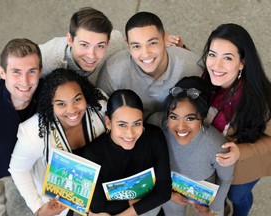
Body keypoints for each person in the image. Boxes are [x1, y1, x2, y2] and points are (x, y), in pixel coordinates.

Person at [9, 68, 107, 216]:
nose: (72, 110)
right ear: (51, 105)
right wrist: (38, 208)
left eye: (77, 99)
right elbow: (18, 169)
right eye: (61, 104)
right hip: (61, 206)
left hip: (100, 195)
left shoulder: (100, 109)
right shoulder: (35, 132)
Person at [201, 23, 271, 216]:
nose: (216, 65)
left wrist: (241, 151)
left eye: (228, 58)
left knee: (238, 196)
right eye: (212, 54)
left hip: (244, 167)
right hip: (214, 163)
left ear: (242, 63)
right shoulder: (206, 80)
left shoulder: (261, 101)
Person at [148, 76, 234, 216]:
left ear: (203, 117)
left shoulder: (217, 146)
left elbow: (225, 180)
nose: (181, 127)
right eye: (174, 117)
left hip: (205, 198)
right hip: (169, 190)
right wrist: (168, 194)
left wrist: (214, 208)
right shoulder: (156, 126)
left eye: (190, 118)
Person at [97, 11, 203, 119]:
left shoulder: (192, 66)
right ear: (128, 46)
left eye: (152, 43)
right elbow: (100, 114)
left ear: (164, 38)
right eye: (136, 46)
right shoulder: (113, 72)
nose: (146, 53)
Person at [83, 89, 171, 215]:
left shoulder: (154, 137)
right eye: (122, 125)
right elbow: (98, 207)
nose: (130, 133)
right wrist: (147, 200)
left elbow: (164, 192)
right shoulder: (93, 154)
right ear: (108, 122)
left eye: (137, 124)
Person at [0, 38, 43, 216]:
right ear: (2, 73)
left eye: (31, 71)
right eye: (16, 72)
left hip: (31, 166)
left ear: (40, 71)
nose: (25, 81)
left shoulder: (48, 94)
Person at [39, 7, 126, 85]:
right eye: (84, 45)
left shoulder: (116, 42)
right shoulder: (45, 58)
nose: (91, 55)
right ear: (70, 40)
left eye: (100, 46)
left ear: (108, 44)